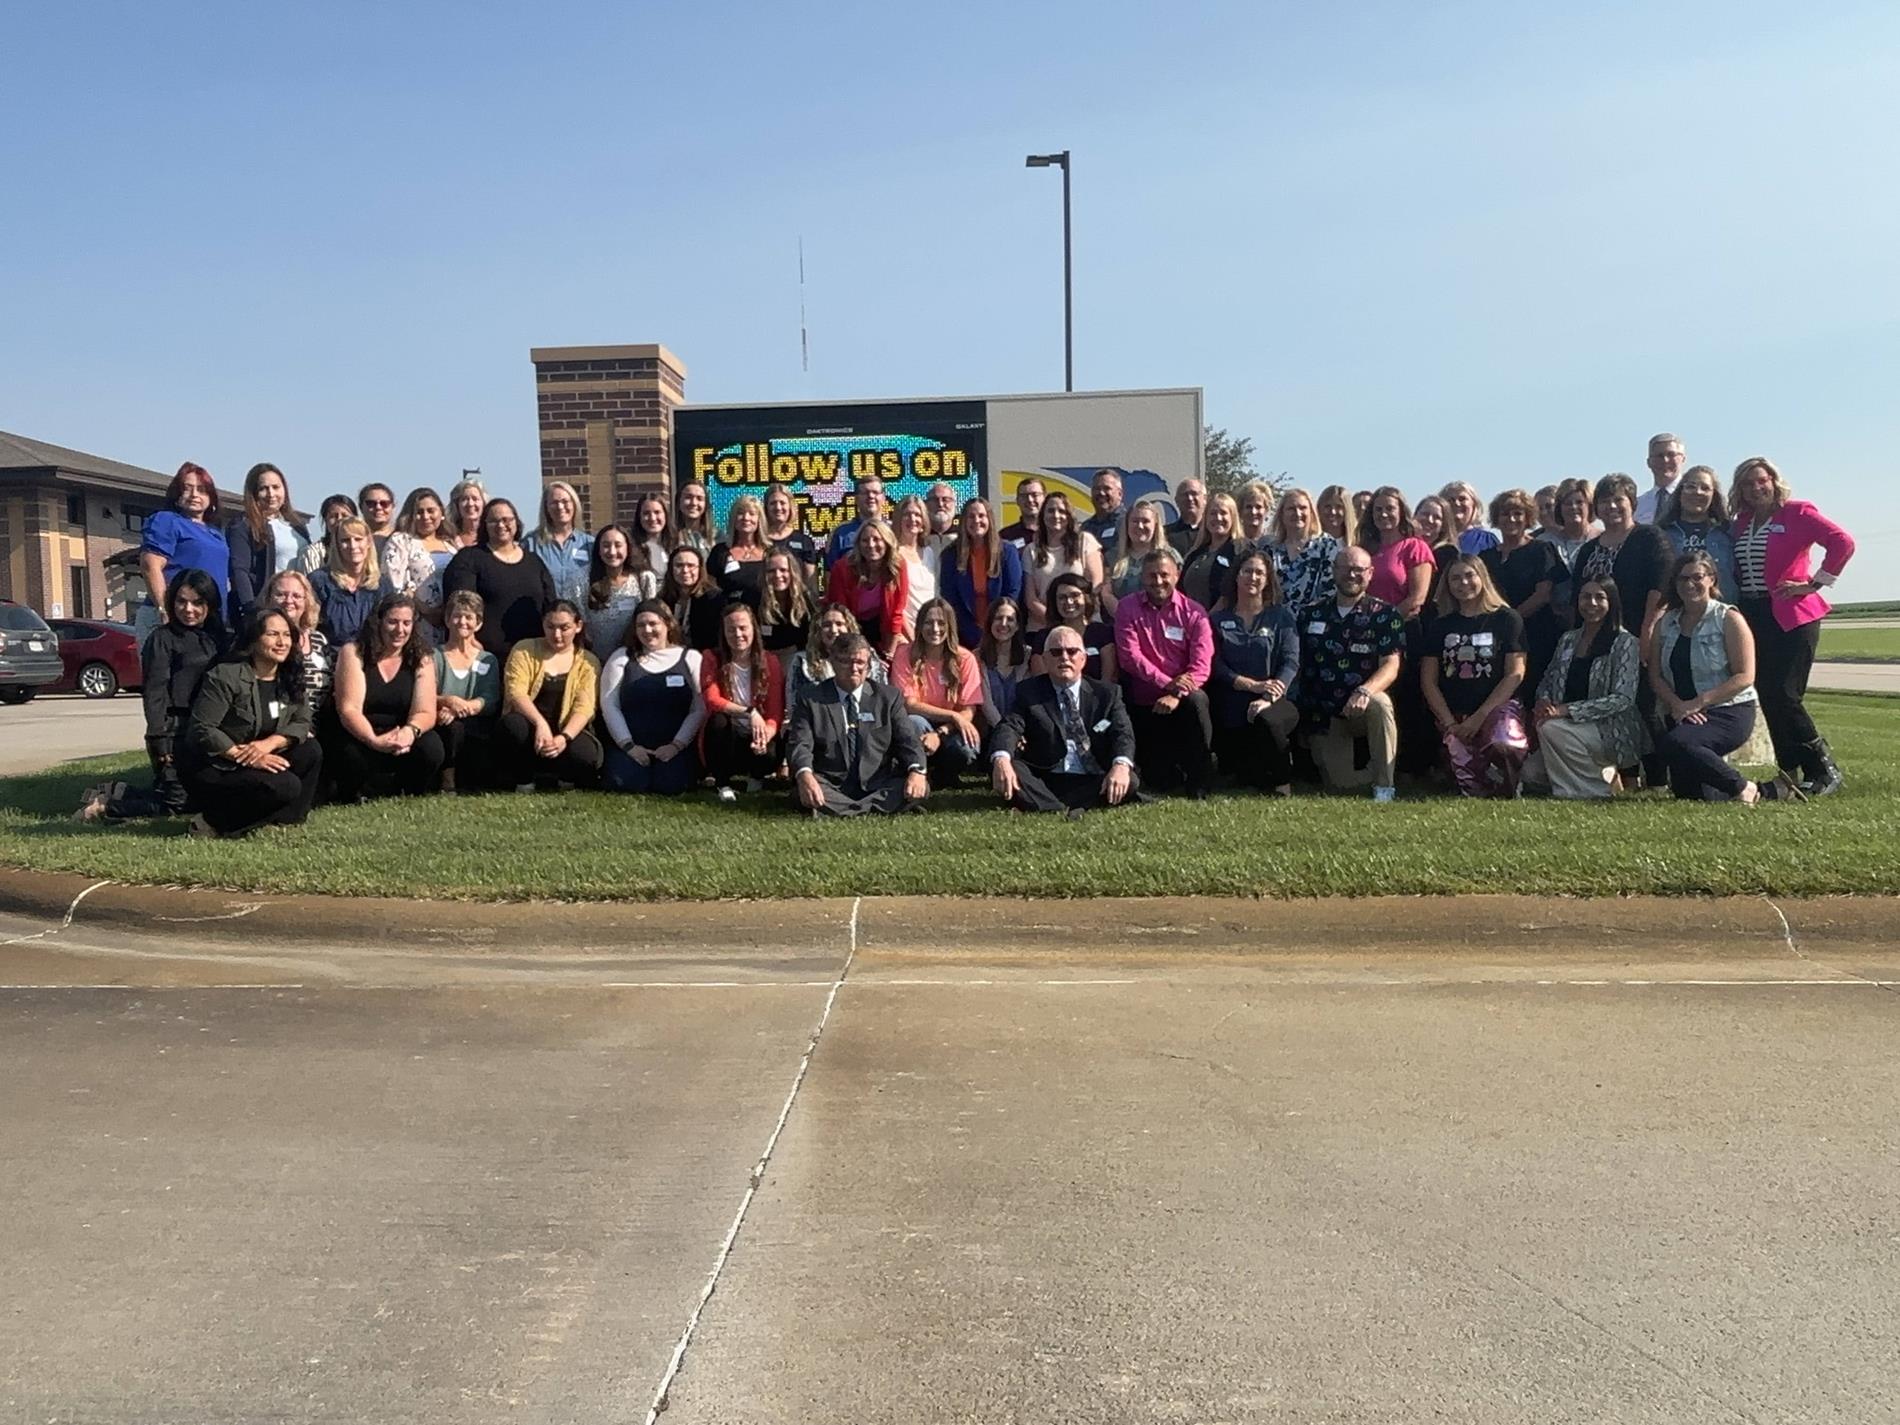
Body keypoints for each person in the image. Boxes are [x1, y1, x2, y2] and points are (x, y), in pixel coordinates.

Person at [1729, 455, 1855, 795]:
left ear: (1773, 481)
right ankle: (1788, 771)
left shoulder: (1797, 513)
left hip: (1793, 614)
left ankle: (1823, 767)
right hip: (1754, 615)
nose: (1756, 488)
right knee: (1767, 695)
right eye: (1747, 483)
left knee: (1786, 694)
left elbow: (1843, 542)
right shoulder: (1740, 522)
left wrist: (1814, 583)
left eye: (1761, 480)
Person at [75, 570, 226, 824]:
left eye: (197, 602)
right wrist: (159, 739)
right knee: (175, 803)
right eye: (181, 601)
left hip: (209, 729)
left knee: (198, 796)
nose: (188, 609)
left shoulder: (220, 638)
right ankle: (105, 807)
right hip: (173, 730)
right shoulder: (162, 639)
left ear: (209, 604)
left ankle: (119, 790)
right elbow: (154, 692)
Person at [1648, 552, 1788, 803]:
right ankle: (1767, 791)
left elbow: (1745, 676)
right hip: (1681, 711)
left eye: (1697, 577)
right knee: (1691, 793)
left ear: (1711, 579)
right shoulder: (1665, 623)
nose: (1689, 584)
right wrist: (1679, 705)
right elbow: (1655, 675)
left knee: (1676, 743)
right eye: (1682, 579)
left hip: (1728, 710)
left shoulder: (1729, 618)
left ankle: (1743, 789)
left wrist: (1699, 702)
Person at [179, 606, 322, 838]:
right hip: (221, 765)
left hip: (262, 755)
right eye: (273, 634)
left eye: (286, 635)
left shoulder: (290, 676)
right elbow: (202, 729)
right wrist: (247, 756)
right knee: (286, 785)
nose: (282, 642)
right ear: (254, 640)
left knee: (310, 750)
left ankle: (285, 822)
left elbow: (303, 721)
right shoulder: (225, 676)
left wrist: (270, 744)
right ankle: (213, 822)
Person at [1572, 474, 1673, 783]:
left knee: (1646, 706)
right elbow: (1579, 595)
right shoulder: (1589, 550)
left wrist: (1647, 632)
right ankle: (1626, 774)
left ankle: (1657, 777)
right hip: (1598, 640)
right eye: (1605, 501)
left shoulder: (1649, 538)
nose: (1612, 506)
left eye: (1619, 500)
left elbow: (1660, 589)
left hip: (1638, 635)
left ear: (1632, 503)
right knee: (1610, 705)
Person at [989, 625, 1139, 814]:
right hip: (1047, 776)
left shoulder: (1107, 694)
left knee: (1129, 779)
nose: (1064, 657)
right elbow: (1009, 726)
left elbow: (1123, 733)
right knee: (1010, 766)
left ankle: (1044, 803)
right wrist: (1001, 760)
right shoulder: (1028, 692)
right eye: (1056, 652)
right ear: (1045, 659)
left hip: (1093, 775)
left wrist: (1121, 765)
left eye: (1072, 651)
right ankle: (1062, 807)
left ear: (1083, 658)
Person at [1295, 547, 1404, 800]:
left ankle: (1384, 787)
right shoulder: (1311, 613)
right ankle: (1373, 770)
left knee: (1381, 703)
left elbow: (1391, 664)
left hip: (1363, 705)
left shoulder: (1386, 615)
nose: (1352, 574)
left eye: (1359, 569)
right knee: (1341, 786)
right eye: (1345, 568)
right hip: (1324, 712)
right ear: (1334, 571)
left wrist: (1365, 690)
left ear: (1370, 573)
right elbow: (1297, 663)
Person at [1523, 576, 1643, 800]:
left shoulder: (1625, 642)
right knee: (1531, 774)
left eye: (1600, 597)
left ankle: (1591, 790)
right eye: (1586, 597)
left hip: (1609, 728)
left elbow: (1622, 698)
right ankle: (1597, 775)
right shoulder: (1568, 639)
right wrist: (1544, 701)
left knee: (1551, 729)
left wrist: (1566, 710)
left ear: (1612, 603)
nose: (1592, 603)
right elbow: (1548, 679)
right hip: (1565, 727)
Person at [786, 631, 929, 816]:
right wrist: (805, 775)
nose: (854, 668)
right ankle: (873, 809)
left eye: (860, 662)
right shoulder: (810, 698)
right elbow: (800, 744)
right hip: (831, 784)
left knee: (919, 786)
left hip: (878, 783)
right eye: (846, 661)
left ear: (869, 666)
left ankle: (844, 810)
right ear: (832, 662)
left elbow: (909, 741)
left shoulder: (888, 697)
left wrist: (917, 771)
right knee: (804, 789)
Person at [1421, 555, 1529, 798]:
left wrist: (1480, 717)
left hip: (1497, 708)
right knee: (1469, 784)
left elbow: (1515, 673)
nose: (1463, 583)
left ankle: (1512, 785)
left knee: (1505, 745)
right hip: (1454, 715)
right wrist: (1450, 724)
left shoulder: (1507, 619)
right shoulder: (1440, 625)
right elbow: (1428, 681)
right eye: (1455, 578)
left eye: (1470, 575)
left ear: (1483, 578)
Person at [1113, 547, 1215, 797]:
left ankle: (1200, 782)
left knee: (1197, 699)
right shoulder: (1127, 608)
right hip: (1145, 704)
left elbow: (1202, 665)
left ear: (1177, 575)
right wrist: (1168, 683)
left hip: (1182, 703)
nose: (1158, 581)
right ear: (1142, 577)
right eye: (1151, 575)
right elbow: (1129, 657)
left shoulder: (1194, 612)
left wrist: (1177, 694)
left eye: (1164, 575)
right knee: (1161, 781)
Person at [324, 593, 445, 802]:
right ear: (378, 622)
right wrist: (374, 740)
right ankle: (353, 792)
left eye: (406, 623)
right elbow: (349, 709)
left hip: (401, 734)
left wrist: (409, 732)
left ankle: (405, 791)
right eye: (393, 622)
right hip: (361, 733)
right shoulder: (353, 652)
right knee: (349, 753)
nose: (400, 630)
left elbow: (425, 711)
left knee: (431, 748)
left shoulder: (422, 658)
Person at [1208, 549, 1300, 794]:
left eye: (1260, 572)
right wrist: (1249, 685)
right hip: (1231, 705)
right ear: (1236, 577)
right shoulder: (1217, 620)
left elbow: (1290, 662)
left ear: (1268, 579)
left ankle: (1283, 785)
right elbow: (1214, 665)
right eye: (1247, 571)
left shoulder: (1282, 617)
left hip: (1276, 701)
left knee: (1266, 719)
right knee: (1244, 776)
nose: (1253, 577)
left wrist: (1268, 697)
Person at [600, 600, 707, 795]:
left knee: (671, 785)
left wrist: (676, 745)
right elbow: (609, 704)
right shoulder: (621, 657)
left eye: (653, 624)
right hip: (631, 747)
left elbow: (699, 708)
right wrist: (629, 746)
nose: (647, 630)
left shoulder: (691, 658)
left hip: (675, 747)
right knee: (625, 783)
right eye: (641, 625)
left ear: (668, 624)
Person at [497, 601, 604, 789]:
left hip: (565, 731)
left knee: (585, 753)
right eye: (550, 627)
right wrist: (540, 724)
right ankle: (524, 781)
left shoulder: (588, 661)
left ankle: (566, 780)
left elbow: (585, 707)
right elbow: (516, 691)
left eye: (564, 628)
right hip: (530, 730)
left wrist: (564, 737)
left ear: (578, 627)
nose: (556, 635)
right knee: (512, 726)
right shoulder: (525, 649)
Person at [441, 498, 554, 658]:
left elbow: (549, 606)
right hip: (483, 657)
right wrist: (472, 645)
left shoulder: (534, 562)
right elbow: (459, 606)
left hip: (531, 658)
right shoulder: (469, 559)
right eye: (493, 521)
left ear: (516, 522)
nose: (501, 525)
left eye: (506, 520)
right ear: (484, 525)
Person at [892, 597, 985, 785]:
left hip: (950, 728)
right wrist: (953, 716)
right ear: (919, 625)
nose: (935, 629)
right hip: (921, 720)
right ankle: (918, 771)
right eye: (928, 622)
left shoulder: (965, 659)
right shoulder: (904, 654)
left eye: (941, 623)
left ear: (950, 626)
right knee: (913, 723)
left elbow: (968, 710)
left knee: (967, 747)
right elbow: (909, 705)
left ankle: (943, 775)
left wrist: (943, 730)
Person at [697, 602, 785, 799]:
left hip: (755, 733)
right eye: (731, 629)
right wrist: (749, 711)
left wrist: (765, 735)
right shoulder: (711, 657)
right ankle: (722, 783)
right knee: (718, 721)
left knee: (772, 746)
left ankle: (756, 777)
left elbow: (775, 712)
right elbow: (712, 700)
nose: (738, 635)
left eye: (743, 628)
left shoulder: (770, 661)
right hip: (728, 734)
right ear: (724, 632)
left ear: (753, 628)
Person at [1482, 488, 1564, 697]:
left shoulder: (1541, 550)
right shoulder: (1485, 557)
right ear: (1496, 518)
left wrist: (1510, 621)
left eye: (1517, 513)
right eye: (1505, 513)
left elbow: (1543, 594)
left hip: (1535, 634)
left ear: (1528, 517)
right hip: (1495, 639)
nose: (1511, 518)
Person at [138, 461, 229, 643]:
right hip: (174, 616)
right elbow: (150, 566)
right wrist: (164, 610)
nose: (194, 495)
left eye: (202, 489)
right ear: (177, 494)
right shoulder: (167, 521)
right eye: (187, 488)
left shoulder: (216, 533)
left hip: (208, 619)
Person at [226, 462, 314, 623]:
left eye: (276, 487)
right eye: (263, 488)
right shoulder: (243, 525)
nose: (271, 493)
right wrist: (251, 609)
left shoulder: (298, 527)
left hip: (296, 608)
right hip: (266, 610)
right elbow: (239, 571)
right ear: (253, 493)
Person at [431, 589, 501, 791]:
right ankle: (447, 781)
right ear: (447, 620)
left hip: (478, 725)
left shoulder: (488, 659)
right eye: (457, 616)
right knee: (453, 729)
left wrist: (464, 706)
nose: (462, 622)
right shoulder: (433, 656)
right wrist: (447, 701)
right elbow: (425, 695)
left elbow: (491, 698)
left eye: (469, 617)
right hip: (442, 724)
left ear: (478, 623)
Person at [939, 499, 1023, 649]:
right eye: (971, 516)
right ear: (964, 521)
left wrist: (995, 628)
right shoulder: (950, 555)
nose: (976, 521)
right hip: (965, 636)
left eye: (981, 516)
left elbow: (1012, 593)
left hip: (1004, 631)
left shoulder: (1007, 552)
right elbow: (951, 599)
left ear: (989, 518)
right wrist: (975, 635)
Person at [823, 518, 909, 656]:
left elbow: (896, 613)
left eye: (877, 539)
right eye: (865, 540)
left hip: (882, 627)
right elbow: (841, 613)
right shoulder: (842, 568)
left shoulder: (898, 566)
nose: (870, 545)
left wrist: (889, 654)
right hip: (851, 626)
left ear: (887, 541)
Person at [1021, 492, 1105, 629]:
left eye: (1061, 511)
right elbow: (1031, 600)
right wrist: (1057, 624)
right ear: (1042, 516)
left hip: (1084, 625)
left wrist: (1075, 621)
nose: (1056, 516)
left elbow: (1096, 584)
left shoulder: (1085, 541)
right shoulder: (1031, 550)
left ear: (1069, 515)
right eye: (1050, 511)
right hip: (1043, 627)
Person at [1657, 466, 1736, 601]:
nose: (1697, 492)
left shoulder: (1728, 532)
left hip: (1722, 612)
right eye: (1691, 487)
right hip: (1675, 611)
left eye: (1705, 488)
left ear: (1714, 495)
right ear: (1680, 492)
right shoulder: (1662, 533)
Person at [787, 606, 887, 708]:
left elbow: (882, 697)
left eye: (839, 624)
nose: (834, 630)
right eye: (827, 625)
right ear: (818, 631)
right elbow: (794, 703)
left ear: (849, 628)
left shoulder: (869, 656)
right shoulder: (803, 661)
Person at [264, 571, 335, 714]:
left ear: (306, 601)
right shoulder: (260, 640)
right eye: (281, 595)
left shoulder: (319, 640)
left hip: (320, 724)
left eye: (296, 596)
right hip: (278, 724)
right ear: (269, 598)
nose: (289, 601)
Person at [1358, 487, 1434, 618]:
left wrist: (1385, 620)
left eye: (1390, 509)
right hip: (1363, 627)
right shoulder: (1364, 549)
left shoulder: (1415, 547)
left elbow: (1417, 598)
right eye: (1378, 509)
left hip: (1400, 627)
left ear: (1401, 512)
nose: (1383, 514)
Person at [1030, 573, 1118, 684]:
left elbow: (1108, 679)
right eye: (1062, 597)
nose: (1069, 601)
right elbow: (1040, 680)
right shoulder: (1043, 638)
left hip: (1097, 698)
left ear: (1086, 598)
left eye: (1075, 595)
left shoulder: (1103, 633)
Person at [582, 523, 655, 656]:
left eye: (618, 545)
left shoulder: (644, 579)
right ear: (598, 549)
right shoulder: (583, 581)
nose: (612, 551)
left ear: (628, 547)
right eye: (606, 545)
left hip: (634, 657)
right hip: (594, 660)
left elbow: (652, 619)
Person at [309, 516, 382, 647]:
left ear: (369, 542)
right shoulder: (319, 581)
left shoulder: (383, 585)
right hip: (329, 659)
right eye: (345, 540)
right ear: (336, 545)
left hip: (371, 658)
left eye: (358, 539)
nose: (353, 546)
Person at [1266, 487, 1343, 611]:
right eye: (1291, 508)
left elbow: (1331, 589)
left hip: (1314, 620)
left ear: (1311, 512)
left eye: (1303, 508)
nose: (1297, 513)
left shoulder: (1326, 545)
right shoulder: (1270, 550)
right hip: (1276, 623)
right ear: (1281, 513)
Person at [521, 480, 594, 605]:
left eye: (565, 501)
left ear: (574, 505)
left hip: (580, 619)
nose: (560, 507)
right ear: (546, 508)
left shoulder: (590, 544)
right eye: (554, 503)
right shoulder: (530, 543)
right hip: (543, 618)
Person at [396, 486, 459, 626]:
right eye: (419, 512)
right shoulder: (401, 541)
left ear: (441, 513)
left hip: (450, 626)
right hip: (417, 623)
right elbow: (395, 588)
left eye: (431, 511)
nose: (425, 517)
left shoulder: (452, 545)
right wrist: (425, 610)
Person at [1538, 477, 1597, 621]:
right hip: (1553, 621)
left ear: (1589, 506)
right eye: (1567, 503)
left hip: (1594, 615)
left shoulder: (1603, 540)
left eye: (1579, 502)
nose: (1573, 507)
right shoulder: (1543, 542)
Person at [1104, 497, 1170, 617]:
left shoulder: (1170, 556)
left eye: (1145, 521)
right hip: (1121, 624)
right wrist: (1126, 617)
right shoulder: (1112, 557)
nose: (1140, 526)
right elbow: (1106, 592)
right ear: (1127, 524)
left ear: (1155, 525)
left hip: (1159, 623)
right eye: (1135, 521)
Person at [1180, 492, 1245, 611]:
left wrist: (1207, 619)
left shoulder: (1239, 551)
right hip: (1190, 622)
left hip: (1221, 623)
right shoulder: (1195, 553)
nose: (1218, 518)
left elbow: (1230, 595)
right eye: (1213, 513)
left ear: (1233, 517)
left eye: (1223, 513)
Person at [757, 550, 816, 674]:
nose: (778, 575)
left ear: (792, 572)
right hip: (763, 658)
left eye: (783, 570)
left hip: (796, 657)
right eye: (771, 571)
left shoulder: (806, 599)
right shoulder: (754, 598)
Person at [708, 493, 770, 608]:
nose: (746, 518)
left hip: (764, 616)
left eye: (752, 514)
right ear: (733, 518)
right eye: (740, 513)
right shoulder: (719, 552)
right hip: (730, 618)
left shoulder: (770, 553)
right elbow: (710, 588)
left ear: (759, 520)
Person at [660, 544, 725, 652]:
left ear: (700, 569)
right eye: (679, 565)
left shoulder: (714, 599)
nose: (685, 570)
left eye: (691, 565)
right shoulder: (664, 599)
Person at [976, 596, 1030, 727]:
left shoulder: (1028, 656)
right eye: (998, 618)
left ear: (1017, 626)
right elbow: (986, 705)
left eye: (1010, 619)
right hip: (989, 730)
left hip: (1024, 731)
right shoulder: (976, 657)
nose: (1004, 624)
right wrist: (1005, 733)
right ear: (990, 623)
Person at [890, 495, 941, 632]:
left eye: (917, 515)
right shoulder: (893, 554)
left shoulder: (929, 552)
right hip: (906, 632)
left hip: (931, 630)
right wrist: (911, 636)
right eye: (907, 514)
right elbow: (895, 603)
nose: (913, 519)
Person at [822, 474, 889, 566]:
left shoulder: (894, 529)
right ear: (856, 499)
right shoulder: (841, 533)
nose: (870, 496)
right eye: (865, 493)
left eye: (875, 492)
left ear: (883, 498)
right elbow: (830, 572)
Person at [762, 484, 823, 580]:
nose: (778, 507)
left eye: (782, 503)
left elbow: (811, 583)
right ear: (766, 507)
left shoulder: (803, 541)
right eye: (773, 503)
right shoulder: (759, 539)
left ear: (790, 506)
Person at [297, 493, 360, 574]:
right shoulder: (313, 552)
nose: (339, 520)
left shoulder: (362, 549)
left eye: (345, 516)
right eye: (333, 516)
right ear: (325, 520)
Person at [1634, 432, 1687, 526]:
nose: (1665, 460)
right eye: (1659, 456)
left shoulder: (1693, 499)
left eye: (1671, 454)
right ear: (1649, 462)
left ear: (1683, 459)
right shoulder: (1638, 506)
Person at [1439, 481, 1499, 554]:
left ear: (1474, 505)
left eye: (1462, 499)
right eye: (1451, 500)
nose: (1456, 503)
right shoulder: (1435, 538)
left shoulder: (1487, 540)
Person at [634, 493, 676, 579]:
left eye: (657, 512)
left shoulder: (677, 543)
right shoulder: (631, 547)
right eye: (646, 513)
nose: (652, 518)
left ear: (665, 515)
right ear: (639, 517)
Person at [1081, 468, 1124, 545]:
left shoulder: (1128, 523)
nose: (1101, 493)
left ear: (1120, 494)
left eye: (1107, 488)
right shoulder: (1085, 527)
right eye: (1097, 488)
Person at [1165, 476, 1206, 555]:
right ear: (1177, 500)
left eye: (1194, 494)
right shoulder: (1165, 534)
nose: (1190, 498)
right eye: (1185, 494)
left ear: (1205, 499)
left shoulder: (1213, 533)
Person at [1000, 476, 1045, 547]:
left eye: (1035, 495)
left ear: (1045, 499)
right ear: (1017, 500)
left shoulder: (1055, 532)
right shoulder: (1005, 536)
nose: (1030, 500)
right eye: (1024, 496)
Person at [674, 481, 715, 555]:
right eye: (688, 497)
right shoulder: (669, 537)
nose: (693, 503)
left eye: (699, 498)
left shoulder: (717, 537)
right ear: (678, 502)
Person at [446, 477, 487, 550]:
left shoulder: (492, 536)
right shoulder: (448, 538)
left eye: (475, 499)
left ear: (484, 503)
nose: (470, 504)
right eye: (464, 499)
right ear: (457, 505)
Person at [1235, 480, 1275, 548]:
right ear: (1240, 511)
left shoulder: (1274, 544)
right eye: (1248, 507)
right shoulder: (1232, 543)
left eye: (1258, 507)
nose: (1253, 512)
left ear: (1266, 511)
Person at [925, 481, 960, 550]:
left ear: (954, 503)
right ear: (926, 504)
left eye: (945, 500)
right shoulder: (919, 535)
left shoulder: (963, 534)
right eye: (934, 500)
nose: (940, 504)